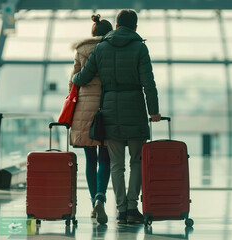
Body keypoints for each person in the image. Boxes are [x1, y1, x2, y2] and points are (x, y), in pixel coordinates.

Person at [72, 9, 161, 224]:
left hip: (109, 109)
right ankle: (132, 208)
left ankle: (120, 211)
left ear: (117, 26)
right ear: (135, 28)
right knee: (137, 161)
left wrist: (75, 75)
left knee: (116, 164)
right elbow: (149, 83)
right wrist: (154, 111)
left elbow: (82, 77)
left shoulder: (102, 48)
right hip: (135, 108)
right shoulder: (140, 48)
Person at [68, 14, 113, 224]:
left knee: (90, 159)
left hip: (84, 109)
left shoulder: (81, 50)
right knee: (106, 158)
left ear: (93, 32)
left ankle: (93, 203)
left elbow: (73, 82)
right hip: (107, 108)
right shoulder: (112, 48)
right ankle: (100, 199)